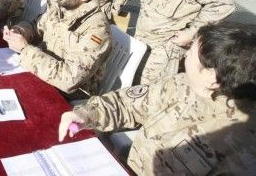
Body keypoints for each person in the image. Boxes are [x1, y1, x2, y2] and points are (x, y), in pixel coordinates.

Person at [59, 22, 256, 175]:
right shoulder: (181, 84)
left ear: (211, 77)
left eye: (191, 53)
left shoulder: (244, 148)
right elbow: (127, 103)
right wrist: (86, 113)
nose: (184, 56)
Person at [4, 0, 111, 100]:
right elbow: (37, 26)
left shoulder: (97, 30)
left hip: (68, 97)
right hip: (40, 75)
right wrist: (20, 31)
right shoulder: (62, 6)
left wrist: (25, 50)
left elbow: (69, 80)